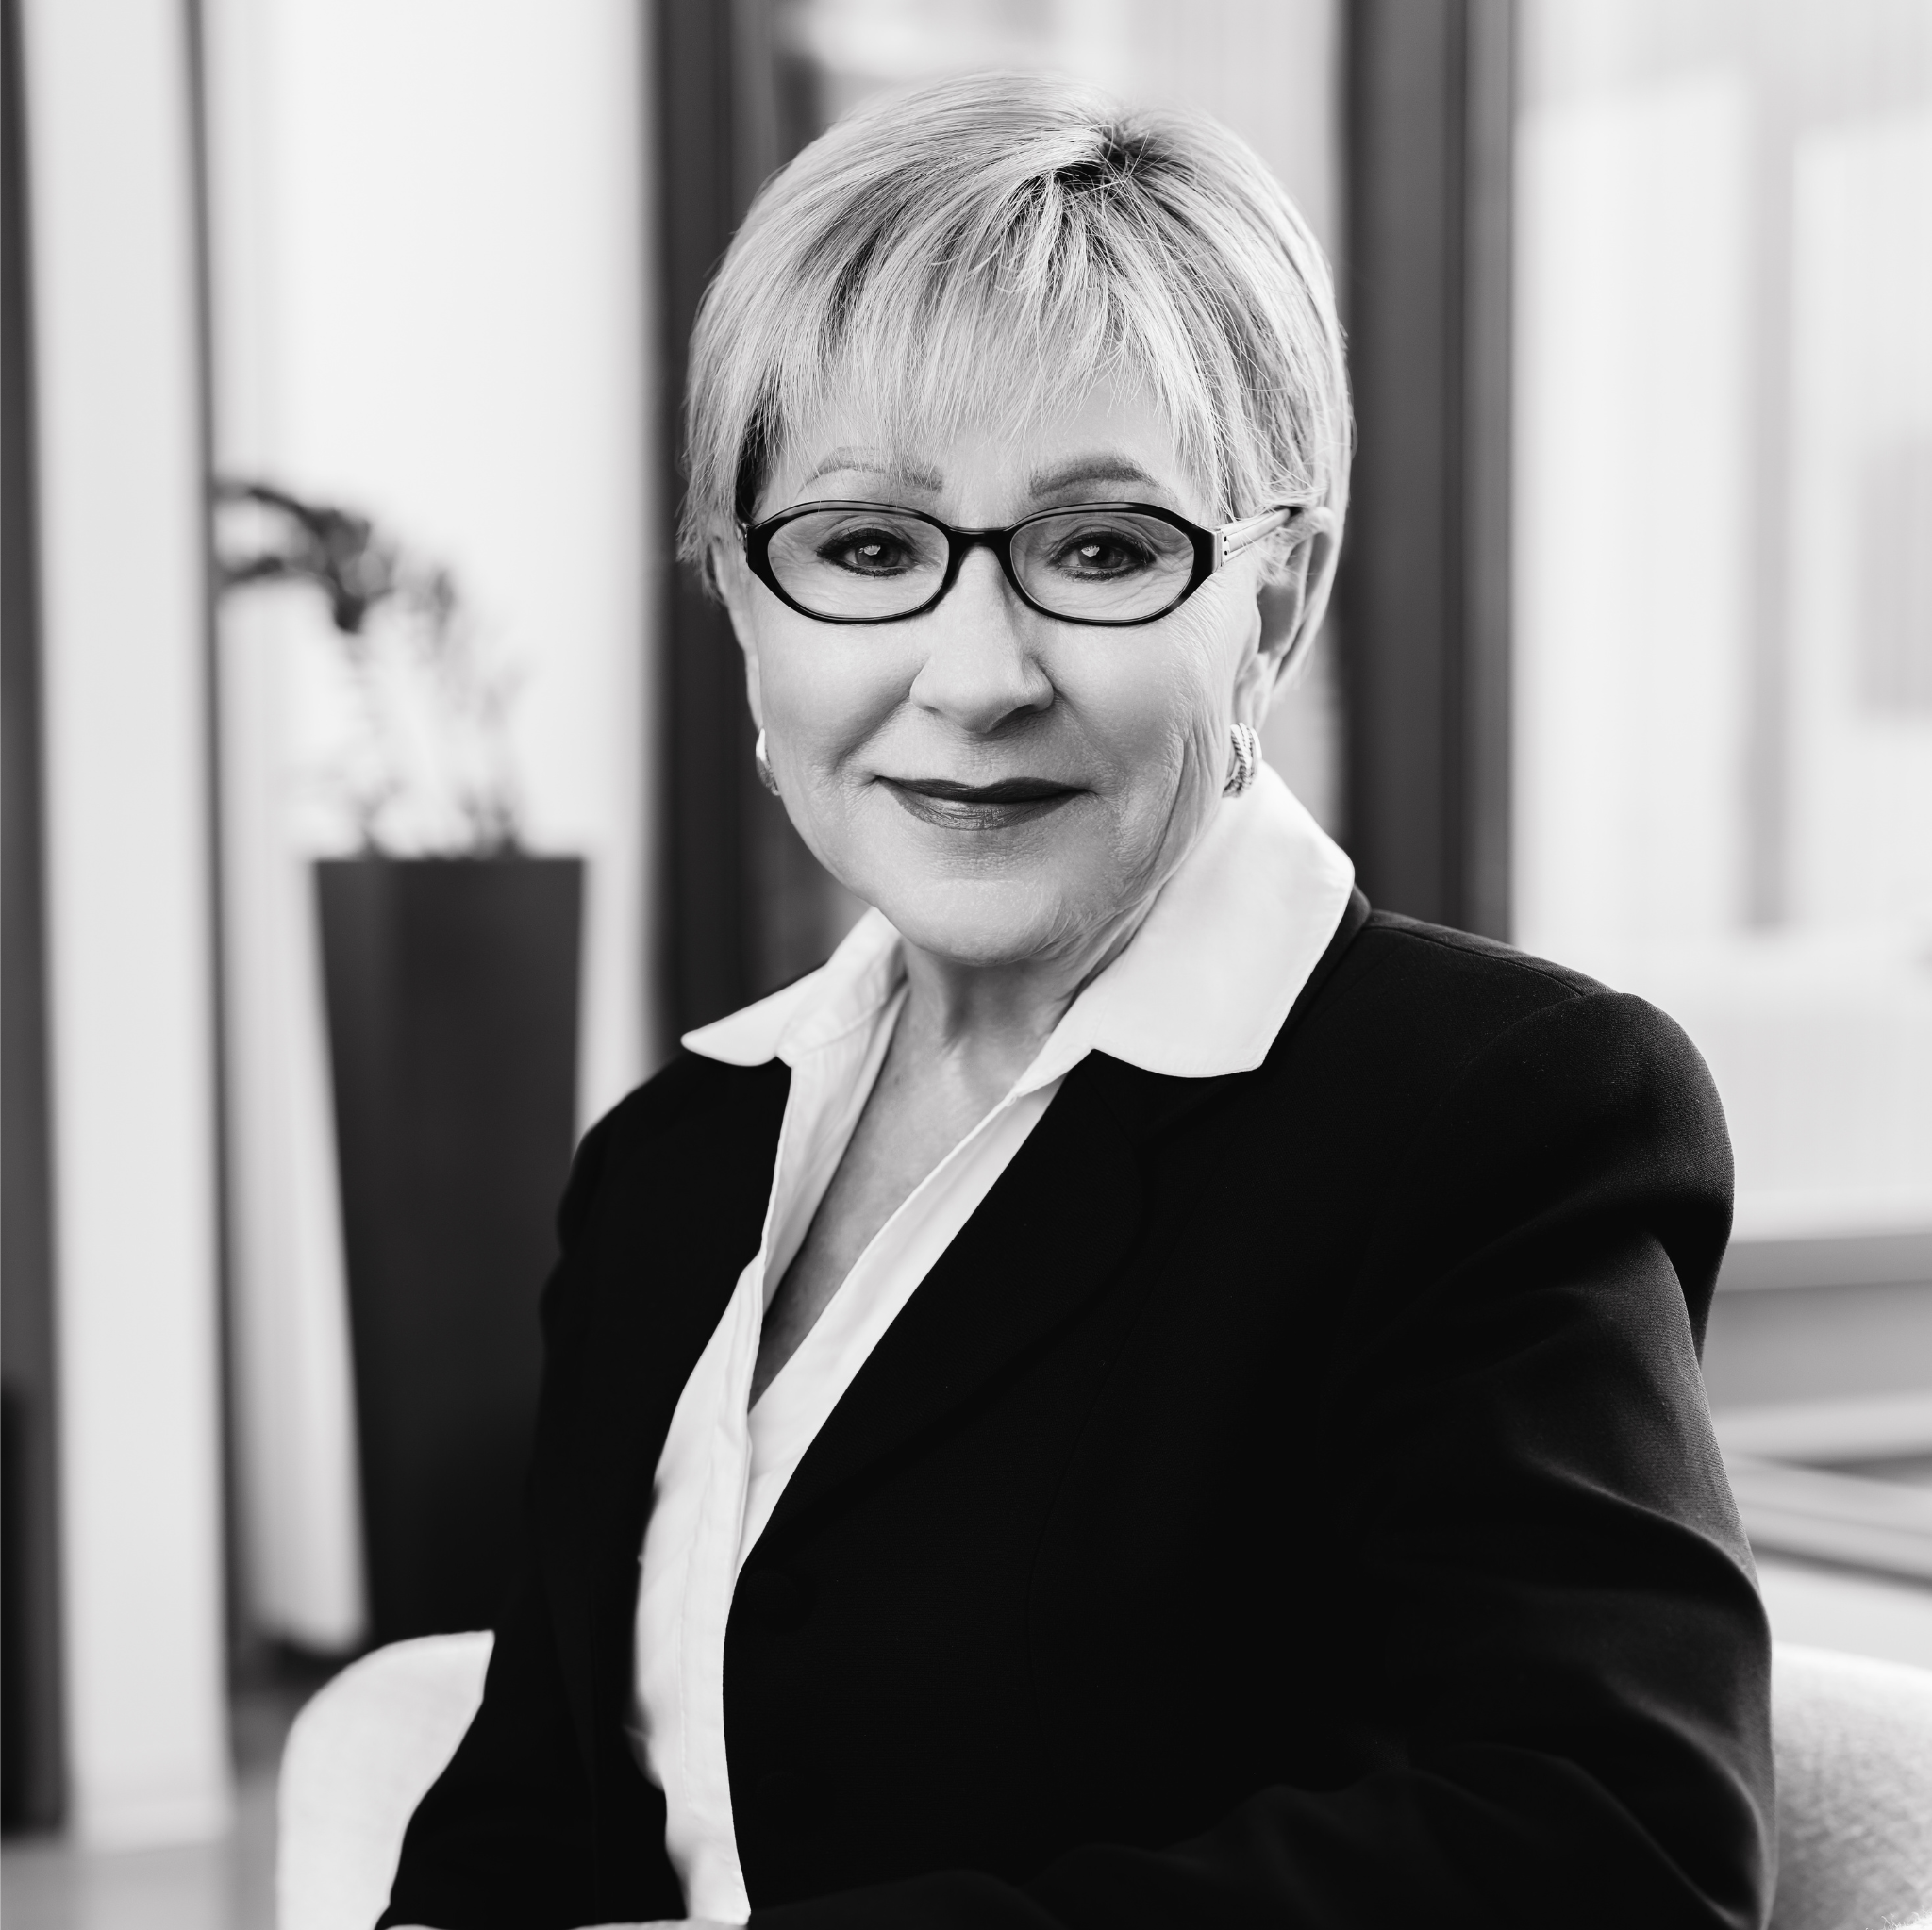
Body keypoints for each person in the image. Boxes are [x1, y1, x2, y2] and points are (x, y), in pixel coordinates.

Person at [381, 72, 1773, 1930]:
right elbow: (527, 1815)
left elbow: (1613, 1852)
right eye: (868, 547)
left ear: (1273, 606)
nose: (975, 677)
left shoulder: (1497, 1115)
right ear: (742, 598)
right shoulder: (670, 1158)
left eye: (1102, 550)